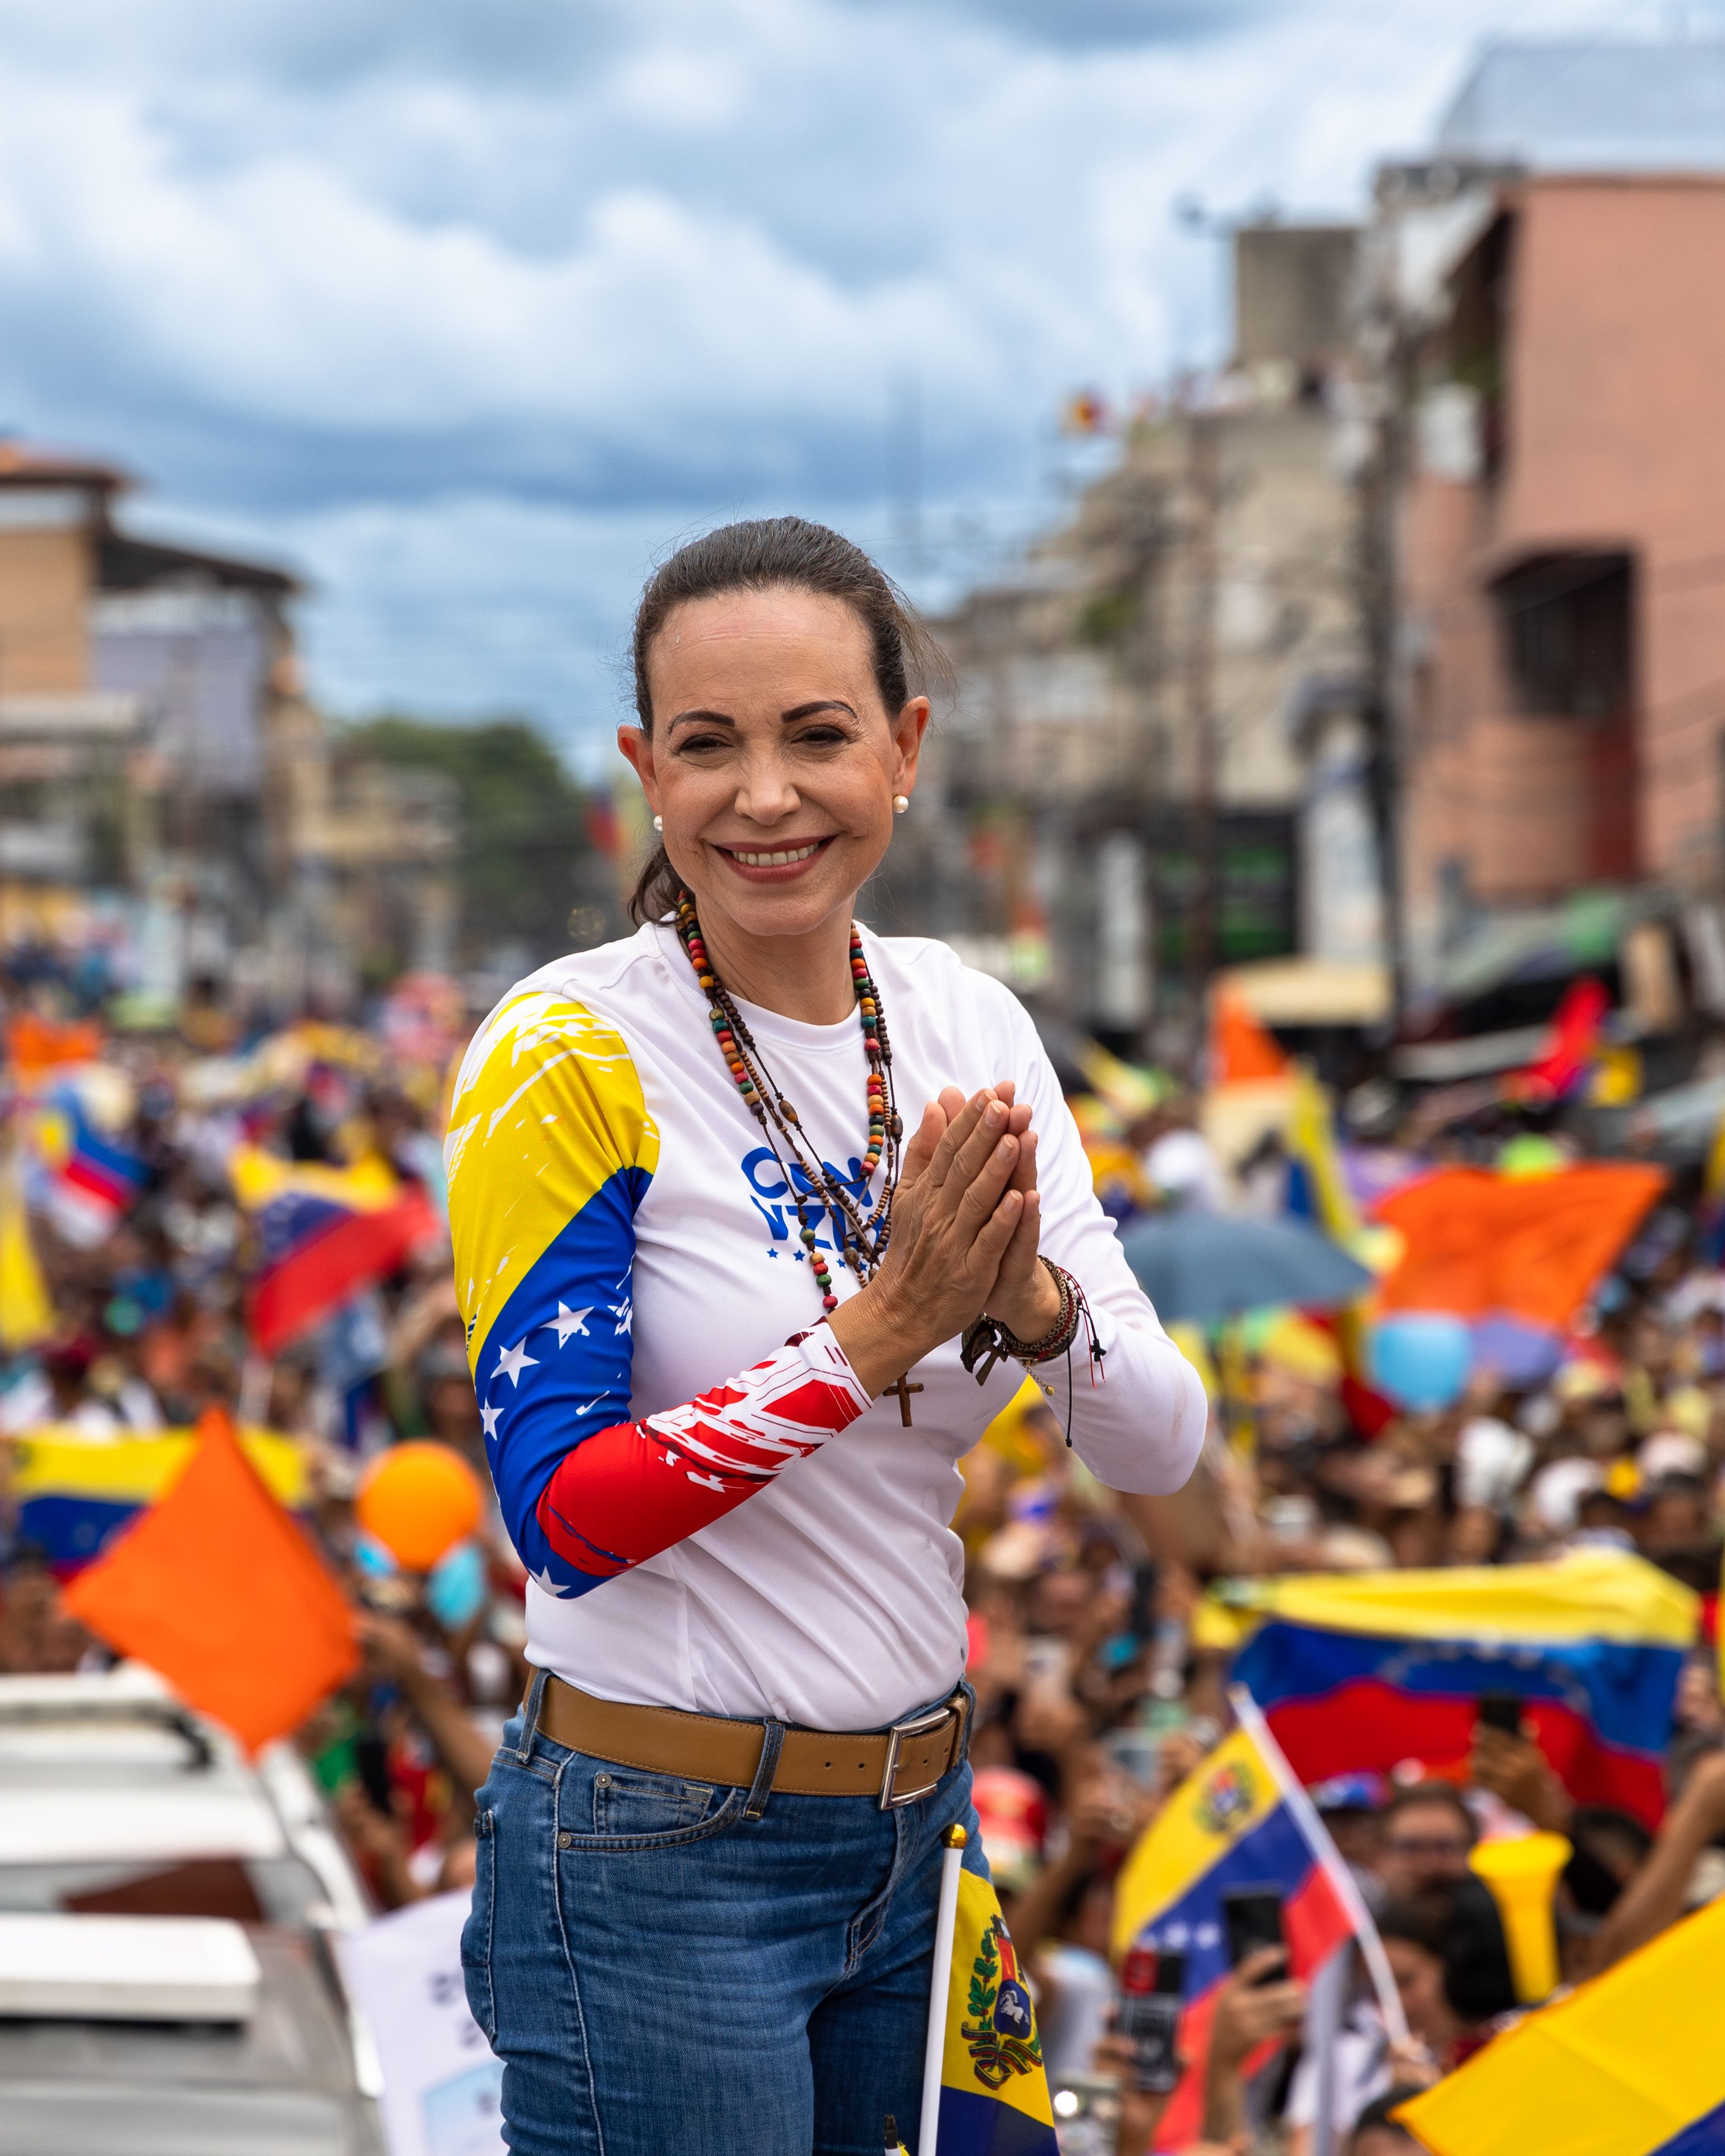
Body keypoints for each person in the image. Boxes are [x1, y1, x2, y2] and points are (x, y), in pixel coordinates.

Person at [445, 518, 1206, 2155]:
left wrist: (1030, 1304)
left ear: (904, 748)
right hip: (655, 1861)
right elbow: (565, 1520)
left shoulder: (965, 1023)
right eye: (706, 747)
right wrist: (873, 1338)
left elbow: (1158, 1439)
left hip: (921, 1845)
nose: (765, 796)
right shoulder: (561, 1051)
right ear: (645, 772)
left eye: (816, 735)